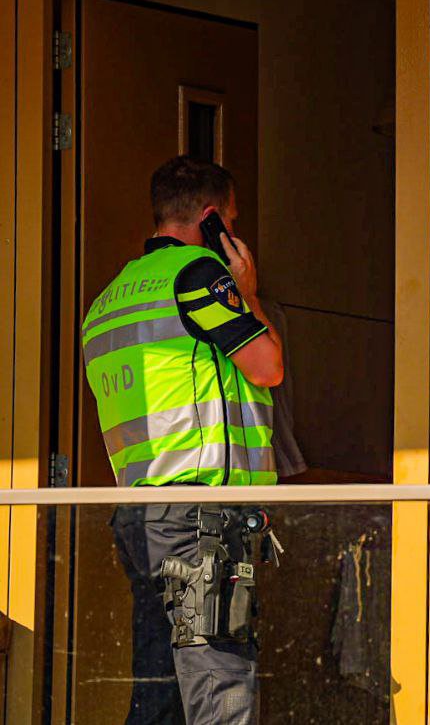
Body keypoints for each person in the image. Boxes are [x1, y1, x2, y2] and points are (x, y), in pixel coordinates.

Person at [81, 157, 284, 724]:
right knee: (220, 691)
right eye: (231, 221)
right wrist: (247, 292)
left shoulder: (108, 299)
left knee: (159, 693)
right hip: (199, 519)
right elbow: (267, 366)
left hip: (139, 519)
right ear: (212, 217)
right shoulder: (198, 274)